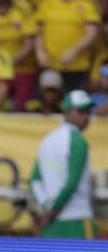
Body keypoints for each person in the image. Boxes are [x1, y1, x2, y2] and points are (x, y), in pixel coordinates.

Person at [30, 90, 96, 239]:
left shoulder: (47, 140)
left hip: (50, 225)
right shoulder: (78, 142)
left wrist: (46, 207)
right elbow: (71, 183)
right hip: (77, 220)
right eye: (81, 111)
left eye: (88, 111)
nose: (86, 116)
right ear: (67, 112)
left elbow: (35, 181)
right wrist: (52, 211)